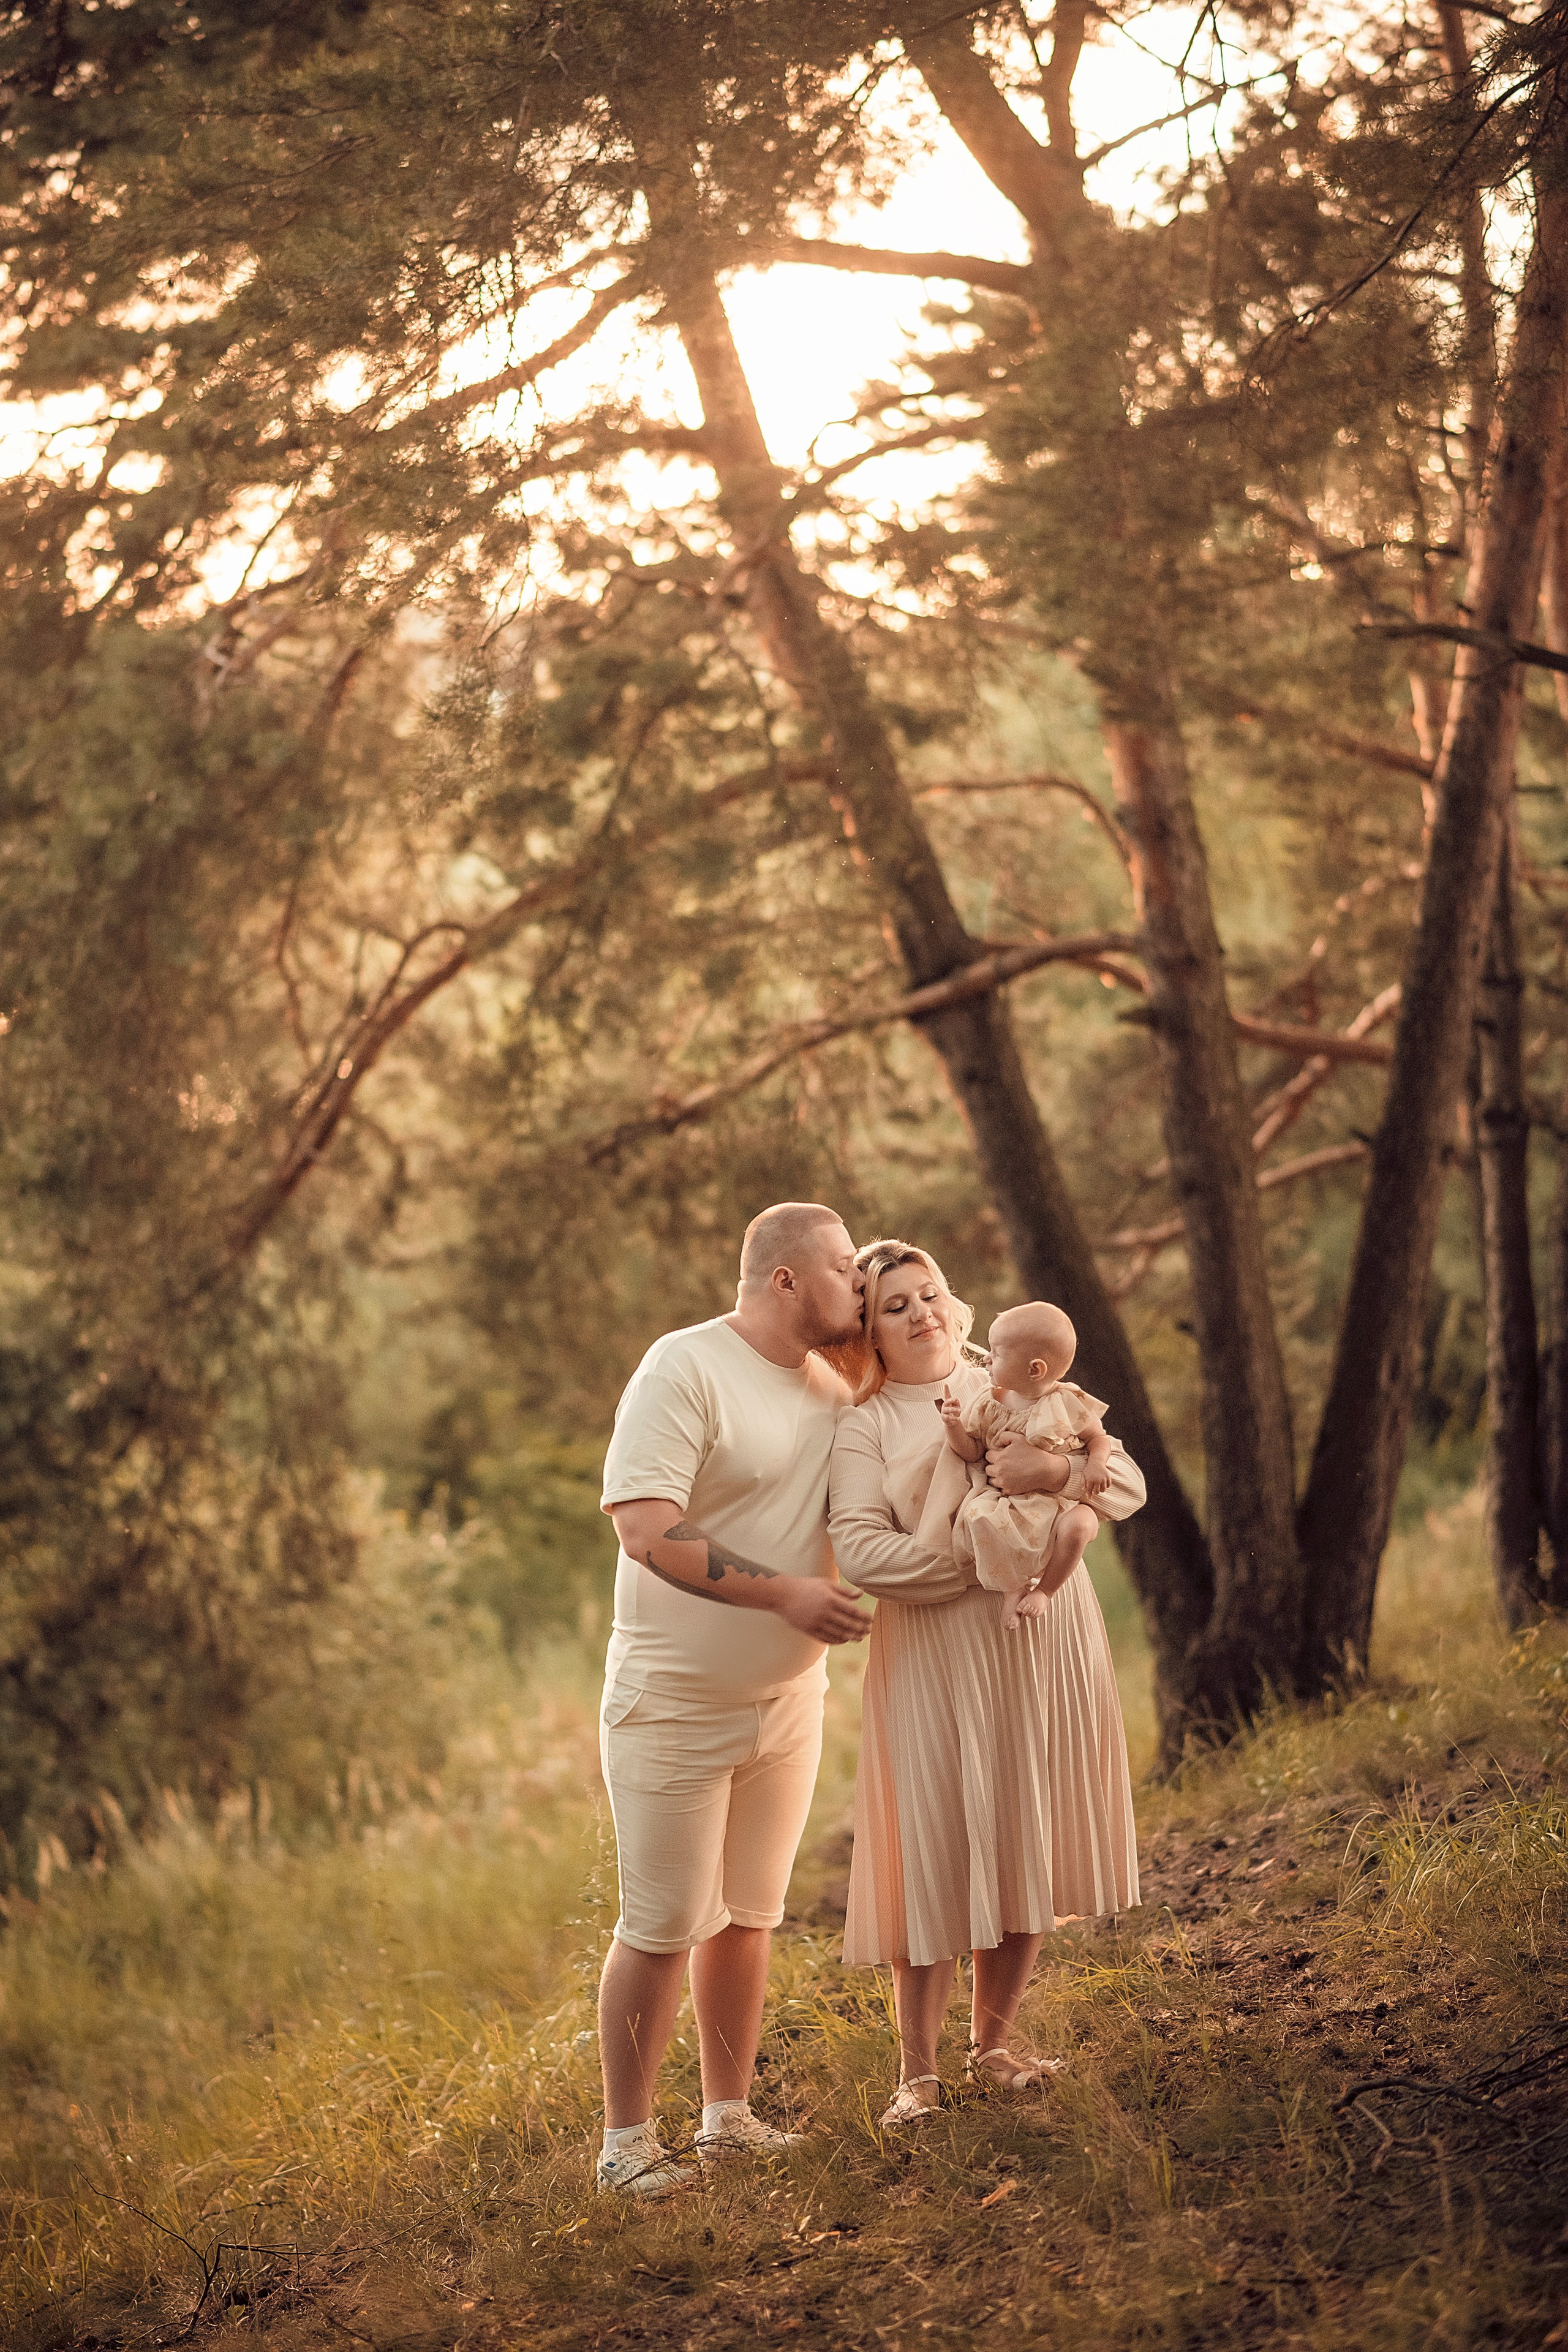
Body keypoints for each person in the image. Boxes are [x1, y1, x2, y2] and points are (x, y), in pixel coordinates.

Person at [827, 1240, 1142, 2127]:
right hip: (935, 1648)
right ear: (869, 1327)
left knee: (1023, 1825)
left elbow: (1125, 1480)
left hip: (1044, 1637)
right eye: (895, 1304)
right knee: (931, 1838)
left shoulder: (1016, 1382)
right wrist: (979, 1562)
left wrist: (1058, 1474)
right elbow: (860, 1550)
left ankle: (995, 2044)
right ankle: (916, 2073)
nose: (921, 1311)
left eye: (929, 1293)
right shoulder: (865, 1424)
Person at [594, 1202, 872, 2196]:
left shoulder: (836, 1393)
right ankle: (626, 2150)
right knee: (663, 1924)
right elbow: (646, 1530)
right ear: (787, 1278)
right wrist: (784, 1592)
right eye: (847, 1266)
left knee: (748, 1917)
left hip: (789, 1702)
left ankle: (727, 2120)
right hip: (673, 1704)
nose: (862, 1282)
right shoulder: (685, 1367)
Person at [925, 1300, 1117, 1630]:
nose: (986, 1358)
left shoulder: (1068, 1403)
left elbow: (1099, 1439)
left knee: (1081, 1525)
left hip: (1058, 1505)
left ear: (1034, 1369)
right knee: (978, 1517)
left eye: (996, 1353)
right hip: (1012, 1504)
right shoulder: (989, 1403)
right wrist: (953, 1427)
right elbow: (973, 1453)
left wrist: (1096, 1465)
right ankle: (1012, 1590)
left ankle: (1045, 1590)